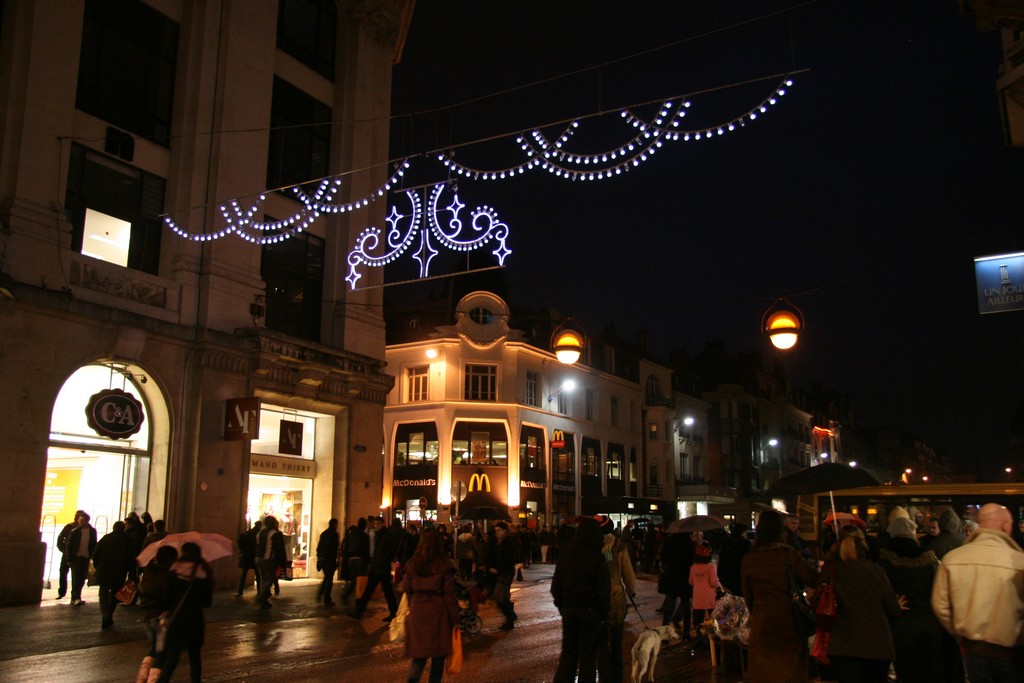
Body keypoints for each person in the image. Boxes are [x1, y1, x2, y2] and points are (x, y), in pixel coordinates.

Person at [932, 503, 1024, 682]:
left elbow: (940, 605)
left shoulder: (953, 559)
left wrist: (959, 632)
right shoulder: (1020, 562)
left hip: (972, 648)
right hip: (1012, 651)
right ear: (1005, 525)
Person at [741, 508, 818, 683]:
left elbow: (748, 596)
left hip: (763, 624)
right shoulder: (789, 555)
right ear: (780, 531)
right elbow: (811, 578)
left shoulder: (750, 559)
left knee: (765, 671)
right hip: (789, 621)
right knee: (790, 670)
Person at [825, 525, 905, 682]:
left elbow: (819, 595)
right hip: (877, 645)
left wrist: (831, 555)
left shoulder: (832, 570)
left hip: (843, 644)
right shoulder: (876, 570)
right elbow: (892, 609)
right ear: (863, 541)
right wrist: (898, 606)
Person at [875, 516, 945, 683]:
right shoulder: (929, 561)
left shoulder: (882, 562)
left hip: (896, 623)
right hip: (926, 622)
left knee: (904, 671)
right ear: (913, 534)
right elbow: (939, 591)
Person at [551, 516, 611, 683]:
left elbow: (556, 586)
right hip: (591, 611)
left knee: (568, 652)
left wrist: (562, 605)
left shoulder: (566, 554)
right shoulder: (597, 557)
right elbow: (603, 589)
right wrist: (603, 613)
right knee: (588, 656)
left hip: (569, 609)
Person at [399, 528, 461, 683]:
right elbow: (450, 595)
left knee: (418, 656)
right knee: (438, 657)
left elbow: (406, 587)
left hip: (418, 610)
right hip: (437, 612)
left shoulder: (413, 563)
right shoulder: (443, 565)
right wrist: (456, 619)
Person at [154, 542, 214, 683]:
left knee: (173, 656)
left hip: (177, 619)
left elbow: (166, 600)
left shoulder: (174, 572)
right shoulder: (203, 574)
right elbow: (207, 603)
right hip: (195, 619)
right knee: (195, 657)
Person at [595, 515, 636, 683]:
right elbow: (628, 573)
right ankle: (617, 677)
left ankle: (604, 677)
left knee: (602, 643)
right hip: (616, 597)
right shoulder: (619, 547)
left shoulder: (594, 546)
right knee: (616, 642)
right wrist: (631, 590)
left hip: (598, 598)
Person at [136, 545, 178, 683]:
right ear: (169, 559)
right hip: (161, 618)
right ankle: (153, 680)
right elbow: (168, 598)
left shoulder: (148, 573)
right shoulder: (167, 576)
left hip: (147, 617)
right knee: (161, 653)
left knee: (153, 649)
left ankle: (142, 678)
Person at [351, 516, 400, 621]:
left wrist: (382, 561)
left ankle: (393, 612)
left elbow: (389, 551)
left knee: (386, 592)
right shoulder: (378, 535)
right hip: (377, 568)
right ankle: (359, 611)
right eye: (375, 524)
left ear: (383, 523)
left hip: (382, 568)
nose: (376, 525)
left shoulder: (386, 535)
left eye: (378, 523)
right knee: (371, 591)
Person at [92, 519, 134, 629]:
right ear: (123, 528)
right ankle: (109, 613)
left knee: (103, 593)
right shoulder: (127, 540)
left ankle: (105, 614)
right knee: (116, 594)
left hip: (104, 570)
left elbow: (95, 555)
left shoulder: (106, 538)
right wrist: (131, 573)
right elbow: (131, 558)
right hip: (119, 571)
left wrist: (98, 567)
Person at [658, 527, 696, 637]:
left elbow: (663, 557)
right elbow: (692, 560)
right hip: (685, 576)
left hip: (672, 576)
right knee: (686, 605)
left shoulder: (669, 541)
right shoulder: (689, 543)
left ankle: (663, 632)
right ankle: (686, 632)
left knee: (670, 605)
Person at [488, 521, 519, 630]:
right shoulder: (497, 542)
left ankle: (510, 617)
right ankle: (510, 617)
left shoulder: (508, 542)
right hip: (501, 572)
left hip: (506, 573)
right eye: (496, 530)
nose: (497, 532)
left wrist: (497, 569)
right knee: (503, 596)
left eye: (499, 530)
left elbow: (508, 559)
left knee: (499, 596)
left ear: (505, 531)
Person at [689, 541, 720, 638]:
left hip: (697, 597)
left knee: (698, 619)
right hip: (709, 596)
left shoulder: (693, 567)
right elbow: (713, 583)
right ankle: (712, 637)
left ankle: (699, 636)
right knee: (712, 617)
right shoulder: (711, 567)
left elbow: (691, 582)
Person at [67, 511, 97, 606]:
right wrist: (68, 558)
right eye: (79, 520)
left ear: (87, 521)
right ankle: (75, 597)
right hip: (76, 557)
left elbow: (93, 543)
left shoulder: (92, 531)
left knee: (82, 578)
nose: (80, 522)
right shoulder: (75, 532)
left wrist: (93, 556)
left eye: (82, 520)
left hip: (86, 557)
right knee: (76, 578)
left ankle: (76, 597)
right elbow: (69, 545)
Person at [255, 515, 286, 609]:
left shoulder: (260, 533)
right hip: (268, 559)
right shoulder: (274, 533)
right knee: (270, 578)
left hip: (258, 558)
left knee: (263, 578)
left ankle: (264, 600)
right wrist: (282, 560)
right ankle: (262, 596)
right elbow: (278, 548)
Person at [54, 510, 86, 600]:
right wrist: (64, 550)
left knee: (76, 576)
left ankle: (74, 595)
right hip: (68, 553)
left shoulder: (85, 529)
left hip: (76, 555)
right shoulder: (70, 526)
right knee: (65, 573)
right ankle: (63, 592)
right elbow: (60, 538)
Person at [340, 517, 370, 607]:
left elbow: (346, 546)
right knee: (361, 580)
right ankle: (359, 599)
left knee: (354, 579)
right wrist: (367, 560)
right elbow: (366, 549)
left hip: (351, 559)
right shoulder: (364, 535)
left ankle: (348, 595)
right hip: (360, 559)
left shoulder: (352, 534)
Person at [717, 522, 751, 595]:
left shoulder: (727, 543)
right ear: (742, 532)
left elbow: (721, 560)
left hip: (727, 577)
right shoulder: (745, 544)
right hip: (740, 577)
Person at [316, 518, 340, 607]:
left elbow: (319, 547)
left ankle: (320, 594)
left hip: (323, 558)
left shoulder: (324, 534)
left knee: (327, 578)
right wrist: (336, 559)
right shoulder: (334, 535)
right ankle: (327, 599)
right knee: (329, 579)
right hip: (329, 559)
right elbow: (335, 548)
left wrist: (318, 559)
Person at [236, 520, 261, 596]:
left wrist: (242, 550)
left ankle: (240, 589)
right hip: (255, 555)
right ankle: (259, 591)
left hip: (247, 555)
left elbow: (240, 540)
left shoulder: (248, 533)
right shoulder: (259, 534)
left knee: (244, 573)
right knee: (258, 574)